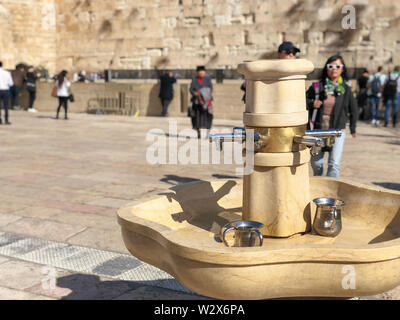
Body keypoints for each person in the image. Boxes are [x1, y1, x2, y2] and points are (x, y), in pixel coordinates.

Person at [306, 55, 358, 178]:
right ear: (326, 68)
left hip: (337, 130)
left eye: (338, 66)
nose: (334, 69)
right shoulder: (317, 87)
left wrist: (353, 128)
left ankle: (331, 193)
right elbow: (303, 100)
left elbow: (353, 109)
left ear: (342, 69)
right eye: (331, 66)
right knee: (316, 162)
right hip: (318, 130)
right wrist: (312, 103)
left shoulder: (345, 89)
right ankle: (320, 187)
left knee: (334, 164)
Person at [189, 66, 213, 139]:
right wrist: (195, 93)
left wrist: (203, 93)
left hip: (206, 101)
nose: (201, 73)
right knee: (196, 117)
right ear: (197, 72)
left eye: (203, 71)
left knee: (208, 116)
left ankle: (208, 132)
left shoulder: (207, 80)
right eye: (200, 71)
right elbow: (191, 89)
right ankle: (198, 132)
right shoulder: (194, 80)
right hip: (196, 101)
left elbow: (210, 88)